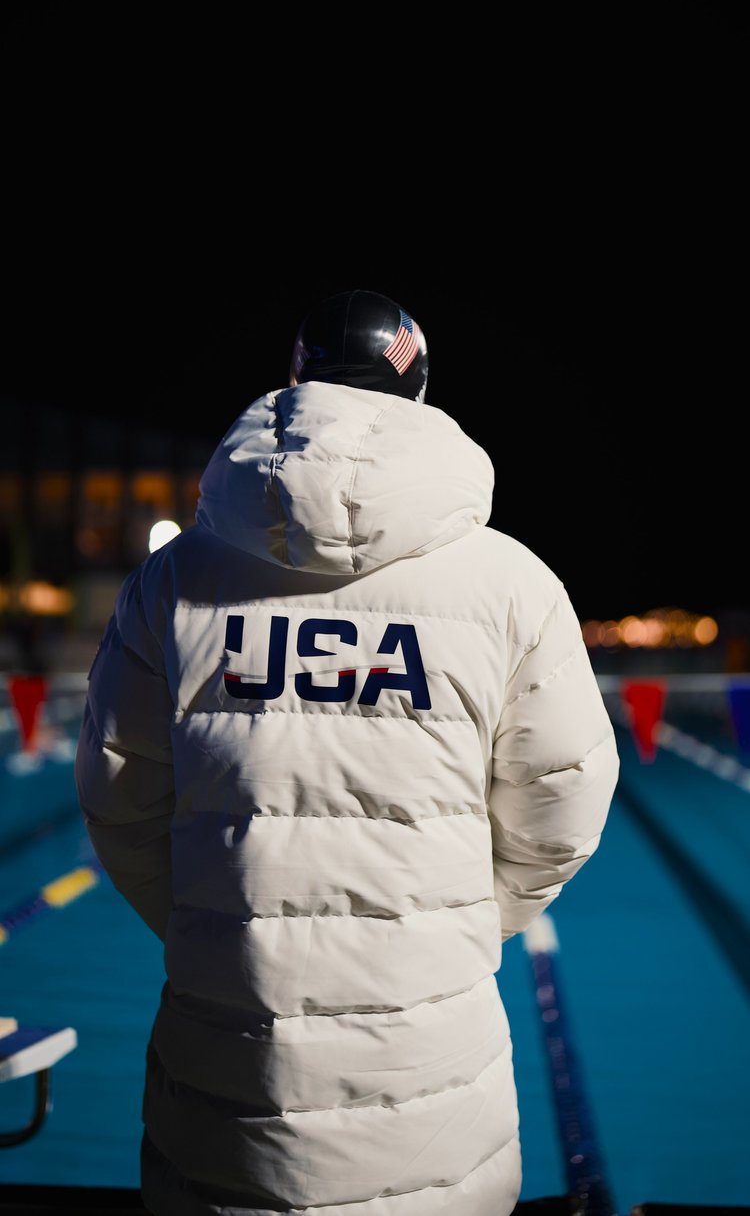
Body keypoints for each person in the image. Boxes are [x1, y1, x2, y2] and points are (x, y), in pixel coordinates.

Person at [74, 288, 619, 1216]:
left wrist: (226, 936)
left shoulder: (172, 583)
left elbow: (118, 800)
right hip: (433, 1092)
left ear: (295, 381)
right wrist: (453, 933)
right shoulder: (511, 585)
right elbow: (561, 806)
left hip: (223, 1087)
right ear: (420, 392)